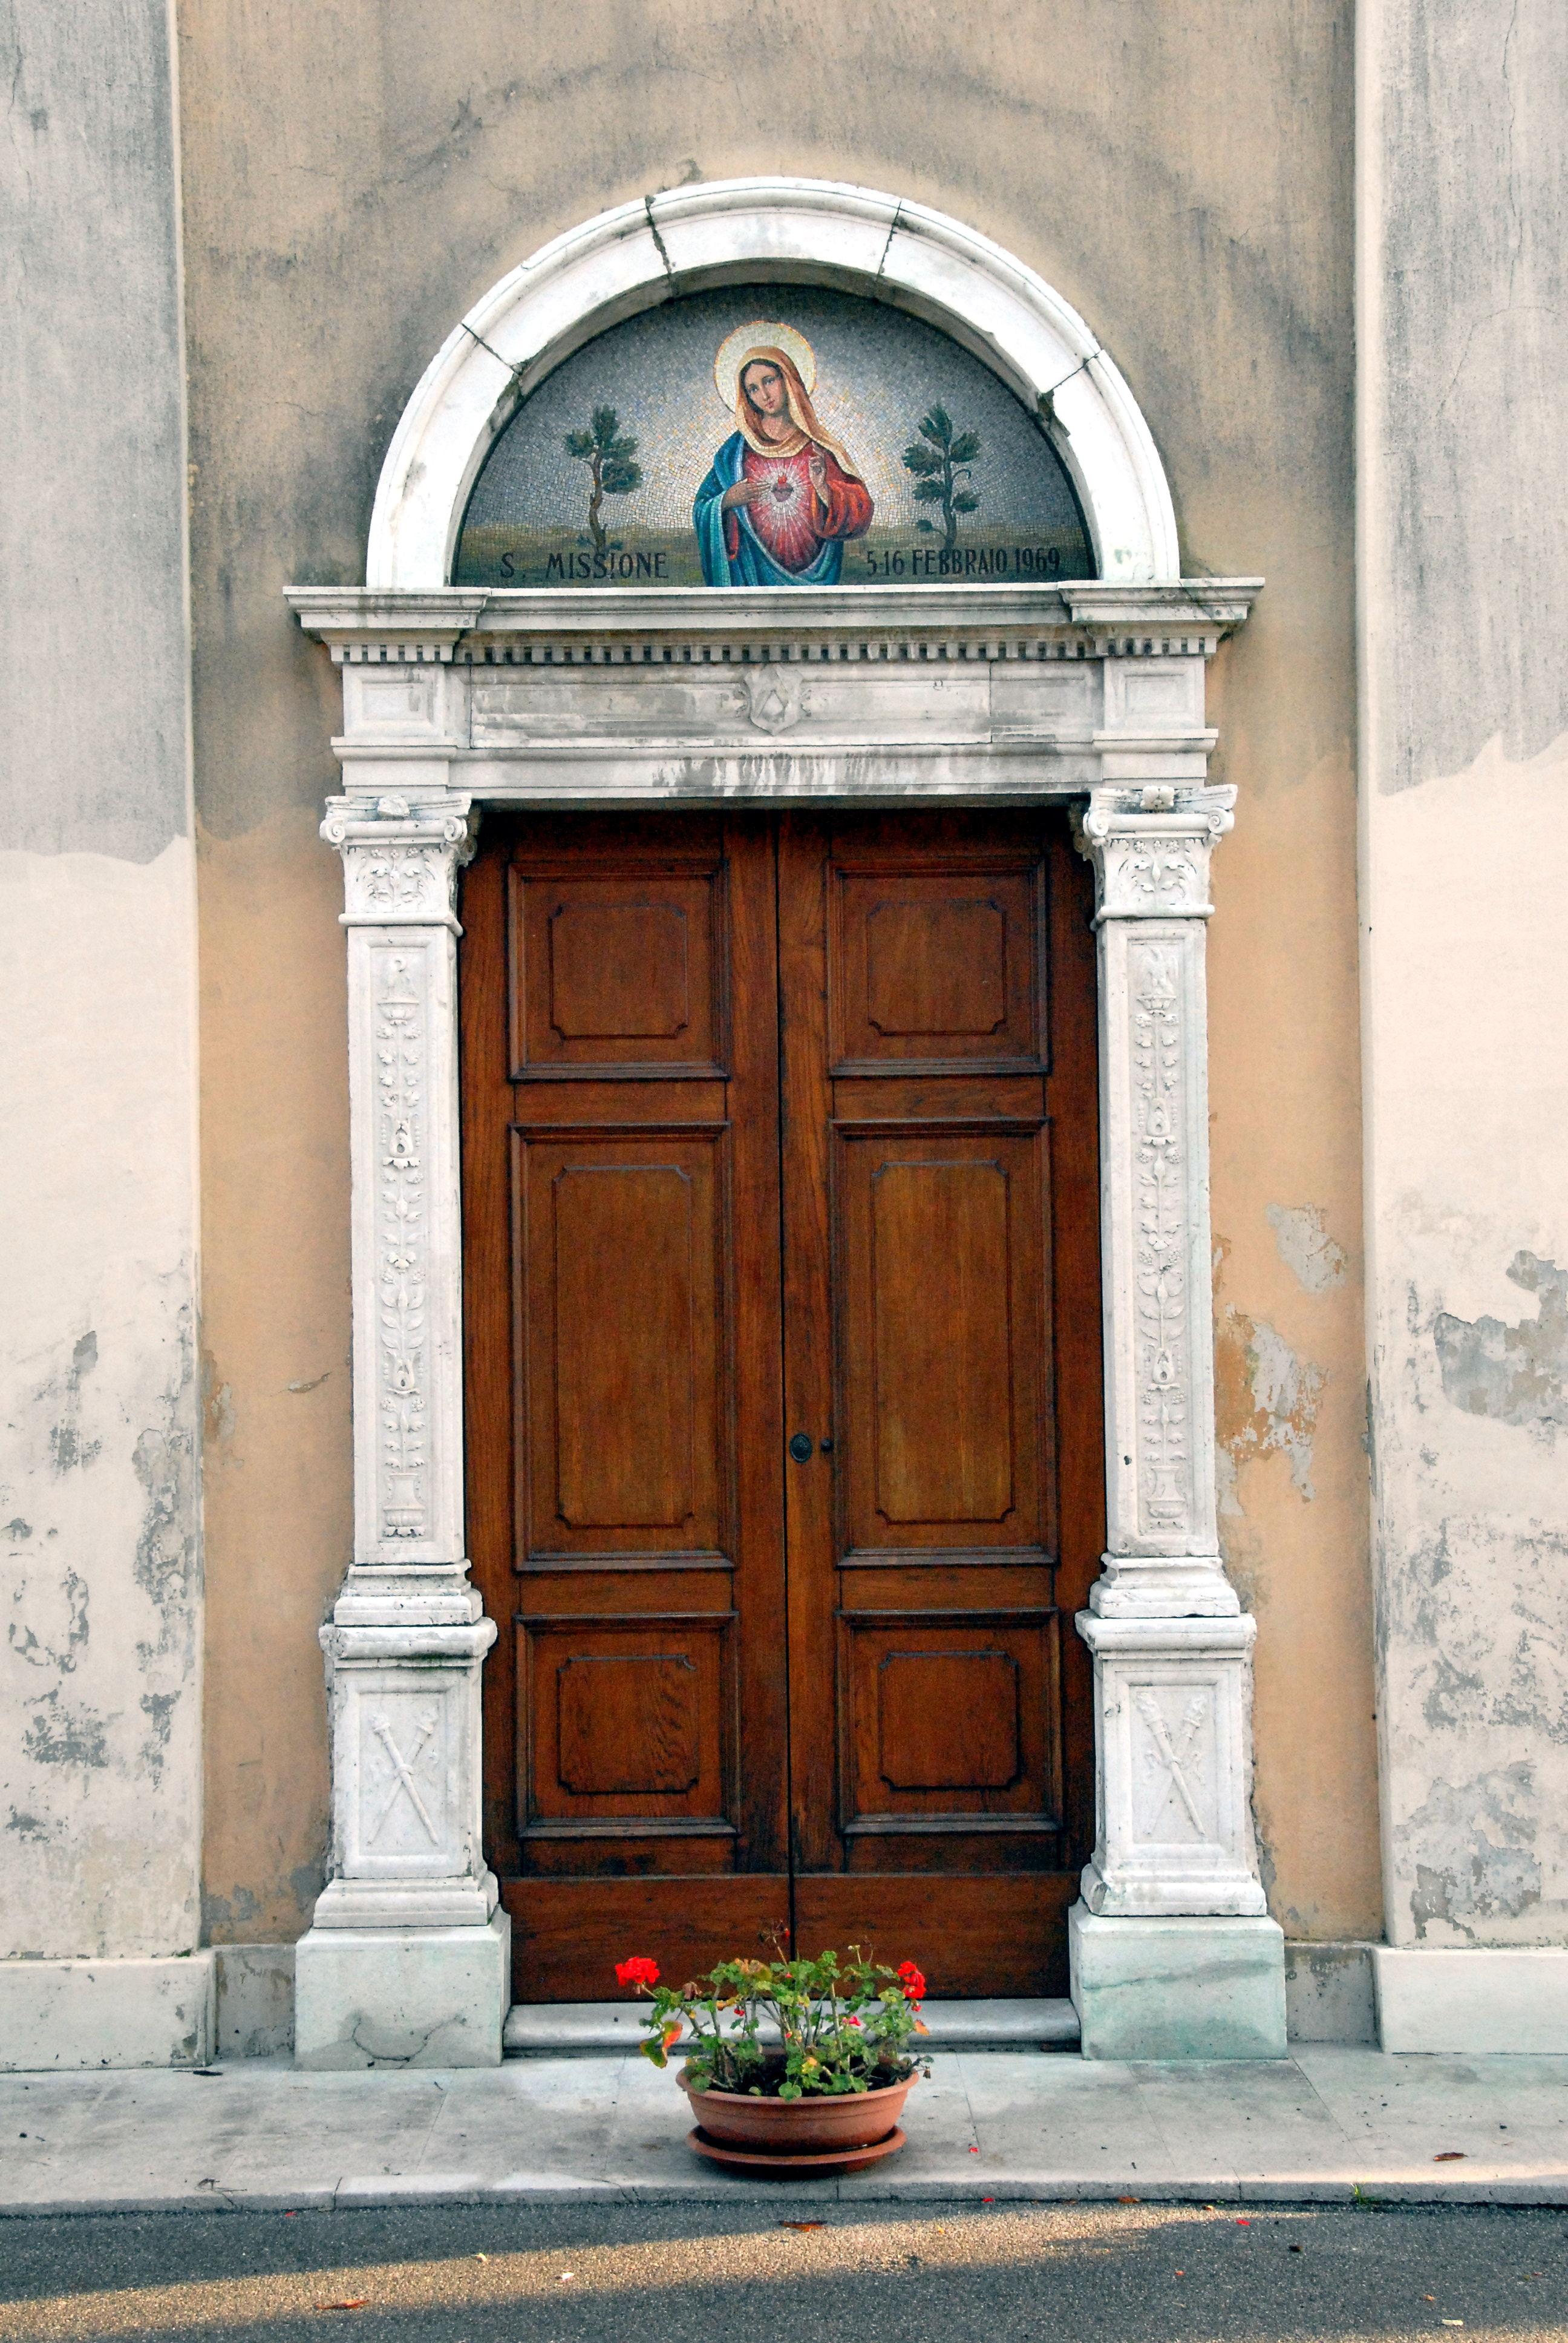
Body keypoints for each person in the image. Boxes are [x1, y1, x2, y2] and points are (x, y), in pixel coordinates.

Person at [694, 326, 873, 586]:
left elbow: (860, 512)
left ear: (787, 380)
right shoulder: (734, 453)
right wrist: (725, 501)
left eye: (769, 381)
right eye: (753, 389)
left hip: (818, 577)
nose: (764, 395)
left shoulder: (819, 447)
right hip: (751, 575)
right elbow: (702, 506)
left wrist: (824, 489)